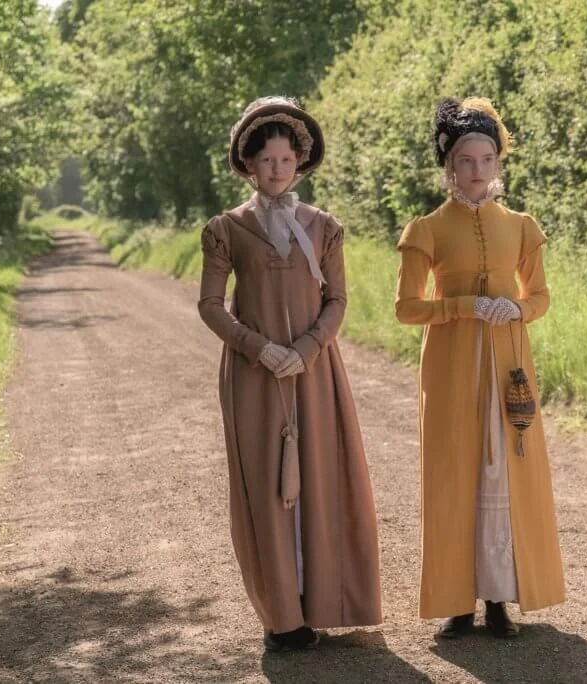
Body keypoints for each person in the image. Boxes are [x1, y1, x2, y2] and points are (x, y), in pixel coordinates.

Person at [198, 96, 382, 651]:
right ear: (248, 165)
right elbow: (210, 305)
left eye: (285, 159)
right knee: (266, 489)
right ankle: (283, 619)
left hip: (314, 371)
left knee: (321, 477)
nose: (276, 169)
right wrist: (258, 349)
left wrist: (306, 348)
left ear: (299, 160)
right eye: (266, 160)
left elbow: (337, 300)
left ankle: (323, 602)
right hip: (254, 377)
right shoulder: (227, 229)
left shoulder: (324, 228)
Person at [394, 97, 565, 640]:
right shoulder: (427, 229)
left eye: (486, 159)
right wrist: (463, 306)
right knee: (455, 474)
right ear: (449, 165)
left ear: (498, 162)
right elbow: (407, 309)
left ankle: (497, 599)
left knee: (502, 473)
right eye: (466, 160)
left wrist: (517, 308)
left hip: (509, 364)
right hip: (450, 370)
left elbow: (540, 297)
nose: (477, 170)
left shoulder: (521, 226)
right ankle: (455, 603)